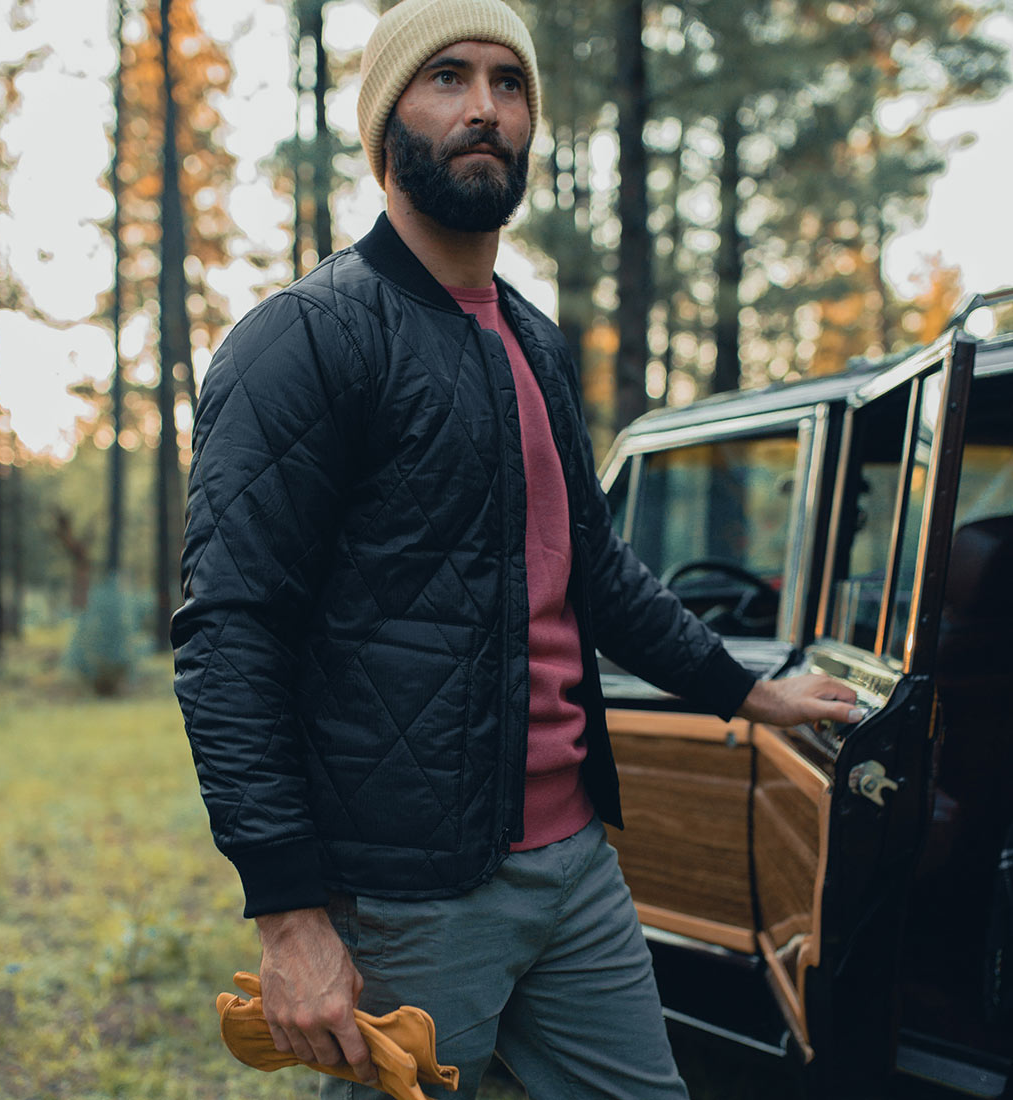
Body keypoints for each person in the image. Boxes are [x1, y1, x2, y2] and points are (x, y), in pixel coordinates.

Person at [171, 1, 864, 1096]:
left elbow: (595, 573)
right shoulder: (305, 337)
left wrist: (747, 691)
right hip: (408, 895)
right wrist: (289, 916)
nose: (484, 108)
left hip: (576, 860)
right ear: (385, 122)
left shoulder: (531, 339)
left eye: (508, 84)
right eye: (446, 78)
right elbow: (228, 635)